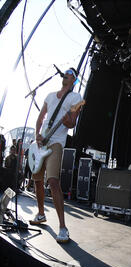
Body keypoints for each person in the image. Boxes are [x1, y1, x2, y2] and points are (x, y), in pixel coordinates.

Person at [29, 68, 82, 244]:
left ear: (73, 80)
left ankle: (63, 228)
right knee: (37, 180)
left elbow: (72, 123)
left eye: (70, 73)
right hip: (41, 143)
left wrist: (67, 119)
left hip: (56, 142)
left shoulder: (76, 99)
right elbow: (40, 117)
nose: (65, 74)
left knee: (52, 181)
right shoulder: (50, 95)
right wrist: (37, 134)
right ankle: (41, 214)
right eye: (65, 72)